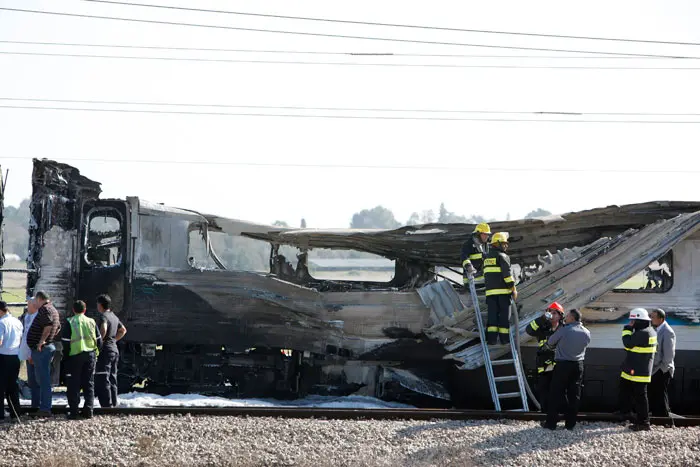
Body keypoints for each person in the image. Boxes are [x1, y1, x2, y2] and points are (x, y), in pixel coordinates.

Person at [542, 309, 591, 430]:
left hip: (563, 365)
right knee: (574, 394)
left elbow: (550, 342)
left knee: (556, 394)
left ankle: (551, 424)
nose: (565, 318)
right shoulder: (586, 332)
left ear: (572, 318)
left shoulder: (564, 330)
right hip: (578, 365)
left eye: (567, 316)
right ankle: (570, 424)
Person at [618, 307, 657, 431]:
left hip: (638, 370)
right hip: (635, 368)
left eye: (632, 321)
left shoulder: (643, 333)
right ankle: (626, 412)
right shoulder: (649, 331)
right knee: (627, 391)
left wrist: (627, 330)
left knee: (640, 397)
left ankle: (644, 423)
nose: (631, 324)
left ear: (638, 321)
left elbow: (627, 343)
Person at [62, 300, 102, 419]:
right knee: (89, 383)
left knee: (73, 384)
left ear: (73, 310)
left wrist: (66, 356)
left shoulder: (70, 321)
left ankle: (74, 412)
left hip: (74, 356)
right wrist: (95, 353)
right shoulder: (91, 322)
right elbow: (99, 340)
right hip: (90, 355)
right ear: (85, 310)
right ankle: (89, 410)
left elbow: (65, 342)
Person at [26, 290, 61, 417]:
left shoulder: (45, 310)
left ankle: (45, 408)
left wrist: (42, 341)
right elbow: (57, 327)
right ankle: (41, 406)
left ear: (40, 299)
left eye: (35, 299)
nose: (34, 302)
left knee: (43, 379)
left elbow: (48, 326)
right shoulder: (53, 309)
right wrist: (50, 338)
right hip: (46, 348)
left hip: (42, 349)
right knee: (41, 378)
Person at [525, 302, 564, 412]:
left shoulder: (564, 328)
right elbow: (529, 330)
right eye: (549, 312)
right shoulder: (542, 327)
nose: (552, 314)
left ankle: (558, 412)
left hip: (560, 363)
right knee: (544, 387)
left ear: (560, 315)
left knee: (559, 388)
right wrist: (542, 318)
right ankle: (545, 412)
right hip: (545, 364)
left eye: (554, 312)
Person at [483, 232, 517, 345]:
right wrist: (513, 288)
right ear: (497, 244)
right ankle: (504, 340)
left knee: (492, 317)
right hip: (503, 294)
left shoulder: (486, 257)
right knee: (503, 318)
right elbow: (507, 275)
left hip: (490, 294)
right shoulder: (503, 256)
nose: (506, 246)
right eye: (504, 243)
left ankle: (491, 340)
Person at [95, 294, 126, 408]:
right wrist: (114, 340)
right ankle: (113, 403)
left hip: (106, 350)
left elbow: (103, 328)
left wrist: (100, 342)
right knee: (113, 377)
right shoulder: (114, 316)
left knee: (104, 377)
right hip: (114, 349)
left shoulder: (103, 316)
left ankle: (106, 405)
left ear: (100, 305)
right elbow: (123, 330)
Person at [649, 308, 676, 421]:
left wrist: (663, 369)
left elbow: (669, 354)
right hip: (656, 368)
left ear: (660, 319)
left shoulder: (667, 331)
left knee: (660, 393)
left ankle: (663, 417)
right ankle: (657, 416)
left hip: (663, 369)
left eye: (653, 317)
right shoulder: (657, 329)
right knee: (655, 392)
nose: (651, 319)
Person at [0, 301, 24, 421]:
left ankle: (0, 414)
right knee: (12, 386)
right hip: (15, 356)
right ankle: (16, 413)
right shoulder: (17, 322)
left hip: (3, 356)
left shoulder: (1, 323)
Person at [18, 299, 40, 410]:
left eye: (28, 305)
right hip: (28, 353)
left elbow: (35, 338)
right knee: (32, 380)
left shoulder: (37, 318)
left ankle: (36, 405)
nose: (27, 307)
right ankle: (34, 404)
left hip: (33, 354)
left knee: (35, 380)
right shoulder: (28, 317)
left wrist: (31, 354)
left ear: (34, 306)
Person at [461, 223, 490, 287]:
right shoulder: (468, 245)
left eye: (488, 234)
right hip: (472, 282)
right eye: (484, 234)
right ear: (478, 234)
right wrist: (469, 267)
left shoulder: (486, 245)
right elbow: (464, 258)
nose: (487, 236)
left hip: (484, 282)